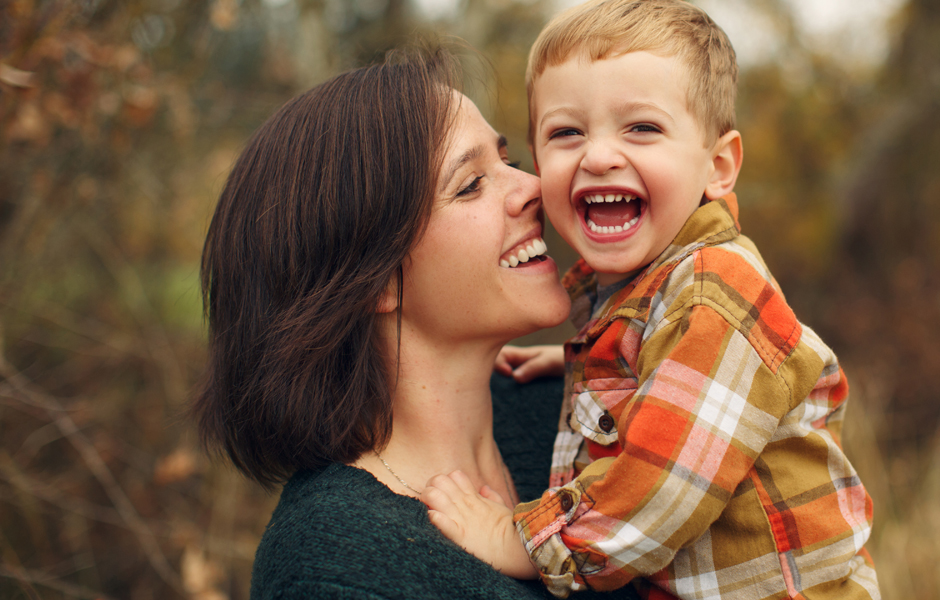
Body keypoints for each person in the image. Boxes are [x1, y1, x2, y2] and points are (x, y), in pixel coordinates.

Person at [420, 2, 880, 599]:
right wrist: (579, 361)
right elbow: (673, 375)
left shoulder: (716, 296)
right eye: (566, 132)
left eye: (642, 128)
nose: (599, 155)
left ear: (717, 167)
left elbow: (663, 485)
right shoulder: (651, 296)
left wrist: (526, 544)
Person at [192, 44, 639, 600]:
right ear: (374, 279)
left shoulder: (582, 417)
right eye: (471, 184)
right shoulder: (333, 564)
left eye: (511, 164)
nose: (535, 188)